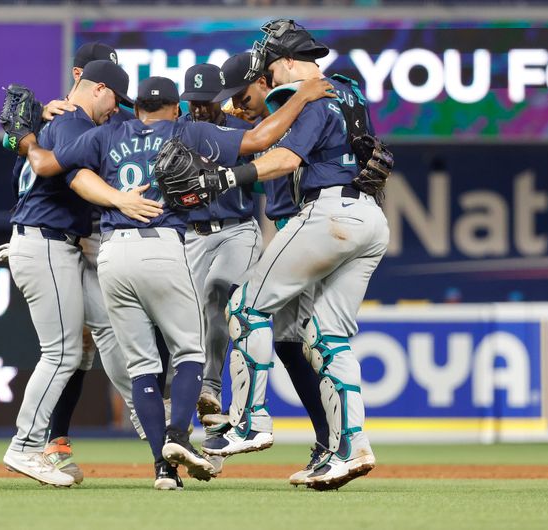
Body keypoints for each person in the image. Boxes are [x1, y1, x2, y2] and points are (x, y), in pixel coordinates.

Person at [18, 74, 335, 489]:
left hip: (113, 252)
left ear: (138, 108)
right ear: (173, 107)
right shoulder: (187, 130)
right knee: (189, 352)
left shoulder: (110, 132)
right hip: (164, 245)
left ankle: (163, 470)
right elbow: (260, 140)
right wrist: (304, 97)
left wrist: (24, 136)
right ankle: (179, 436)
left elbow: (52, 167)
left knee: (143, 367)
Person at [197, 20, 391, 491]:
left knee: (245, 307)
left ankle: (249, 423)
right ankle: (350, 447)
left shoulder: (304, 92)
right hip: (370, 218)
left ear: (283, 61)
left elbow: (285, 160)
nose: (266, 73)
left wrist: (226, 178)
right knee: (327, 336)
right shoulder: (348, 89)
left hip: (327, 213)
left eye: (267, 64)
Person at [1, 60, 158, 487]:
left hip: (50, 241)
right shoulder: (72, 121)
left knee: (107, 326)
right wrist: (120, 200)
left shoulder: (62, 119)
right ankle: (27, 446)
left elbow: (32, 175)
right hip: (46, 242)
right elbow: (70, 175)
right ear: (99, 88)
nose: (116, 110)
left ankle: (151, 427)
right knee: (63, 353)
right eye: (115, 100)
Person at [209, 51, 330, 486]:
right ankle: (329, 439)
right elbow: (183, 110)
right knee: (288, 341)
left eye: (243, 95)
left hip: (307, 229)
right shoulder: (259, 119)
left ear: (266, 81)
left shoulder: (299, 111)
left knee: (262, 319)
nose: (237, 105)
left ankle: (261, 426)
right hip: (286, 230)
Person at [178, 63, 262, 437]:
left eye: (206, 102)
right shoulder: (177, 130)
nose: (199, 109)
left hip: (237, 230)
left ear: (222, 99)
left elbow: (272, 169)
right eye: (193, 102)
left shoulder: (244, 132)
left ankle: (211, 385)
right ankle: (207, 426)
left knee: (216, 292)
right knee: (189, 322)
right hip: (193, 235)